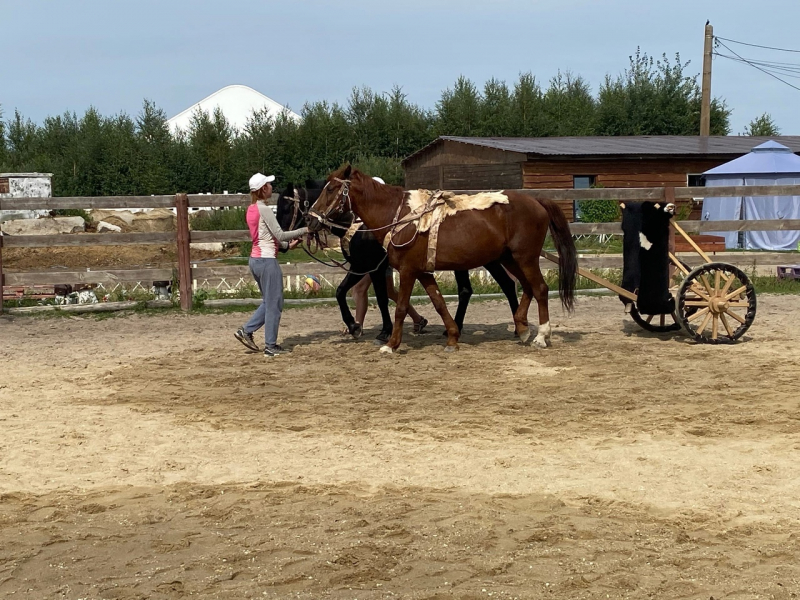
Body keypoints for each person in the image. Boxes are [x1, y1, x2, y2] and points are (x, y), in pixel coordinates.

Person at [235, 173, 307, 356]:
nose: (271, 187)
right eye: (269, 184)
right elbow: (280, 234)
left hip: (256, 260)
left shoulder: (251, 209)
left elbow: (265, 236)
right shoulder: (264, 209)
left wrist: (286, 246)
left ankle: (247, 331)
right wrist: (307, 228)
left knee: (270, 301)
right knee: (274, 303)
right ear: (263, 189)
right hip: (267, 261)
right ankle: (270, 346)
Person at [348, 176, 428, 335]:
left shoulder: (378, 214)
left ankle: (358, 325)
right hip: (379, 257)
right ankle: (418, 319)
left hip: (379, 258)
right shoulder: (372, 212)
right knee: (389, 291)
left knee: (359, 288)